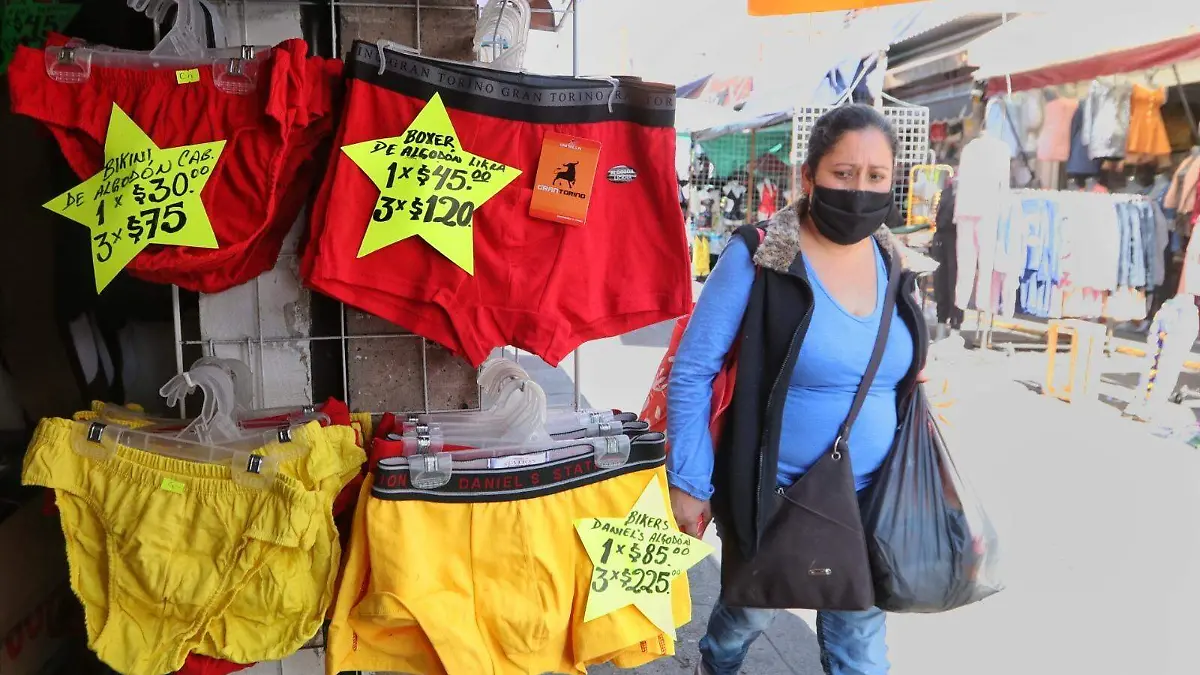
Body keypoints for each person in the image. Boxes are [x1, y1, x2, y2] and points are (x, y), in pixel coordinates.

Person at [666, 104, 929, 675]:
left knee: (859, 652)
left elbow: (897, 365)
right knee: (750, 614)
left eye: (876, 176)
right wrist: (687, 478)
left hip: (871, 495)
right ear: (808, 177)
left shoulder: (894, 260)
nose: (860, 189)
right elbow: (693, 369)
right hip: (775, 494)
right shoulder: (761, 255)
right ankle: (716, 662)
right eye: (843, 173)